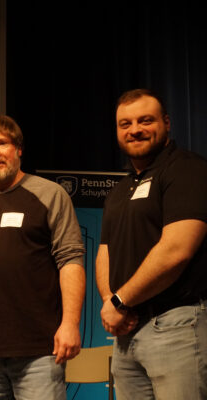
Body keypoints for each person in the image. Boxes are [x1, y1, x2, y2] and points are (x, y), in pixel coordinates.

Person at [0, 114, 86, 400]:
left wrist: (70, 324)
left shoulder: (50, 195)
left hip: (38, 351)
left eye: (1, 143)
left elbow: (70, 260)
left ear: (19, 149)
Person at [97, 89, 207, 399]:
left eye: (145, 120)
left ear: (167, 123)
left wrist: (119, 301)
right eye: (125, 123)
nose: (135, 130)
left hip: (177, 325)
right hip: (127, 332)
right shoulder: (119, 190)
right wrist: (110, 301)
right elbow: (105, 251)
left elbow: (177, 250)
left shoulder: (187, 169)